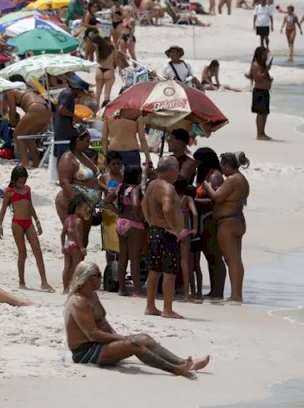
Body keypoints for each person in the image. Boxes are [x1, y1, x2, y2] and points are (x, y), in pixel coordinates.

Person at [65, 262, 209, 374]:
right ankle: (175, 369)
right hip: (85, 351)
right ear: (90, 279)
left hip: (100, 343)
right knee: (134, 344)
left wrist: (117, 337)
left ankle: (183, 361)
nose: (101, 278)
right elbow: (92, 334)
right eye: (99, 275)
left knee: (144, 338)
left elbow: (103, 323)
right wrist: (122, 339)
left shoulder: (92, 294)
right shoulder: (79, 301)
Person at [201, 153, 249, 303]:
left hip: (227, 222)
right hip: (237, 220)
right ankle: (237, 293)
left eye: (222, 166)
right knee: (236, 259)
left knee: (231, 259)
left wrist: (207, 186)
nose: (221, 170)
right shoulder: (242, 179)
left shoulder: (233, 179)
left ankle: (236, 295)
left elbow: (217, 197)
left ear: (228, 165)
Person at [143, 157, 186, 319]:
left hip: (154, 231)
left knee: (154, 271)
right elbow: (167, 209)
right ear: (171, 170)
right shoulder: (168, 188)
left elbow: (144, 205)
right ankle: (167, 309)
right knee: (169, 272)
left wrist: (150, 221)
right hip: (167, 234)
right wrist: (175, 229)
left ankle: (150, 306)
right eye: (176, 170)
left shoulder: (151, 185)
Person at [0, 166, 53, 292]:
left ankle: (44, 282)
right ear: (14, 180)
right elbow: (3, 209)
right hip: (17, 224)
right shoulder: (9, 192)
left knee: (37, 250)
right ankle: (21, 281)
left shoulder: (27, 190)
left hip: (29, 222)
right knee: (23, 253)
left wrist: (37, 221)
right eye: (20, 182)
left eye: (24, 181)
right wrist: (0, 226)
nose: (22, 184)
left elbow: (30, 206)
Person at [56, 131, 103, 247]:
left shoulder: (83, 156)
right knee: (76, 240)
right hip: (75, 203)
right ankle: (72, 265)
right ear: (78, 140)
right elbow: (64, 182)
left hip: (88, 205)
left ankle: (77, 264)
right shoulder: (68, 158)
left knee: (83, 240)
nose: (89, 144)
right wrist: (79, 204)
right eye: (86, 141)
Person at [192, 148, 226, 299]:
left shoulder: (215, 176)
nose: (195, 164)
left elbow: (216, 201)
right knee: (208, 255)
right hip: (202, 219)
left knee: (214, 256)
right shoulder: (204, 174)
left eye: (197, 161)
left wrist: (193, 202)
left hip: (211, 219)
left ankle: (218, 291)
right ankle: (214, 289)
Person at [113, 165, 145, 297]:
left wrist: (118, 211)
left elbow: (108, 200)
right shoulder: (135, 189)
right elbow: (136, 204)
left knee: (123, 258)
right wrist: (140, 217)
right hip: (133, 224)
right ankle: (137, 290)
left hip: (120, 222)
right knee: (134, 258)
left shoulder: (120, 187)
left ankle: (122, 289)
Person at [6, 80, 50, 169]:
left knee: (17, 135)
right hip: (46, 110)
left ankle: (25, 162)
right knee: (27, 136)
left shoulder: (11, 93)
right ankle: (36, 160)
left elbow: (12, 112)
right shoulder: (28, 90)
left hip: (35, 108)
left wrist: (11, 124)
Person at [62, 194, 92, 294]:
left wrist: (63, 245)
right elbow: (77, 235)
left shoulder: (67, 219)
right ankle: (74, 287)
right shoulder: (78, 221)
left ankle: (65, 288)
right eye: (84, 209)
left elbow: (62, 234)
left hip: (67, 244)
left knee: (66, 267)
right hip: (75, 245)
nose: (86, 212)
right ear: (78, 208)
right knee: (77, 267)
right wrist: (82, 247)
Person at [54, 81, 90, 161]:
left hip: (64, 128)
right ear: (79, 90)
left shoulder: (66, 92)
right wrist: (75, 117)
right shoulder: (68, 94)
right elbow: (62, 109)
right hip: (63, 130)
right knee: (63, 156)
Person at [248, 47, 273, 141]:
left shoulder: (262, 65)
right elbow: (258, 78)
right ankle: (259, 134)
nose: (266, 56)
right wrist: (267, 69)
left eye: (266, 54)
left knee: (265, 113)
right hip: (259, 92)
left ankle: (263, 132)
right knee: (260, 113)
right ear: (259, 54)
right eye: (264, 54)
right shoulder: (255, 65)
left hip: (265, 91)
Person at [90, 35, 118, 108]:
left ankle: (95, 112)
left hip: (99, 70)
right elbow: (115, 61)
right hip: (109, 70)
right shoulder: (112, 48)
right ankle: (104, 112)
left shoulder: (98, 49)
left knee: (98, 92)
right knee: (107, 94)